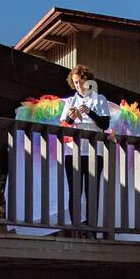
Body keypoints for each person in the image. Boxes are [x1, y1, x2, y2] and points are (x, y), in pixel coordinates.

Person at [58, 65, 112, 231]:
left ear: (88, 81)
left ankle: (92, 229)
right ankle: (75, 227)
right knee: (75, 191)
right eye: (75, 83)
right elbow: (65, 126)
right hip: (72, 152)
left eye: (81, 82)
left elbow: (105, 124)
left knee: (92, 191)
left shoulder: (99, 99)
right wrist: (71, 118)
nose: (78, 86)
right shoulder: (70, 101)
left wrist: (89, 112)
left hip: (94, 152)